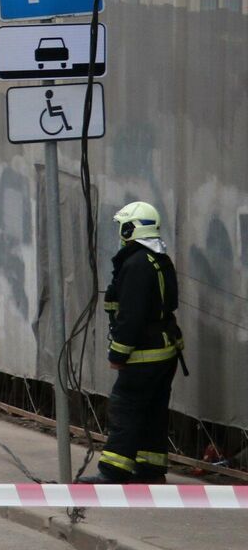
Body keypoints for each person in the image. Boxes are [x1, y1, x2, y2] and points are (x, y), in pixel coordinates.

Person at [94, 201, 185, 483]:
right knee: (153, 410)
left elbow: (130, 316)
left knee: (126, 407)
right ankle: (150, 468)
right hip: (166, 349)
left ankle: (114, 470)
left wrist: (117, 354)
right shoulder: (159, 258)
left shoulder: (135, 264)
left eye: (123, 226)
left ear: (132, 228)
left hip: (144, 352)